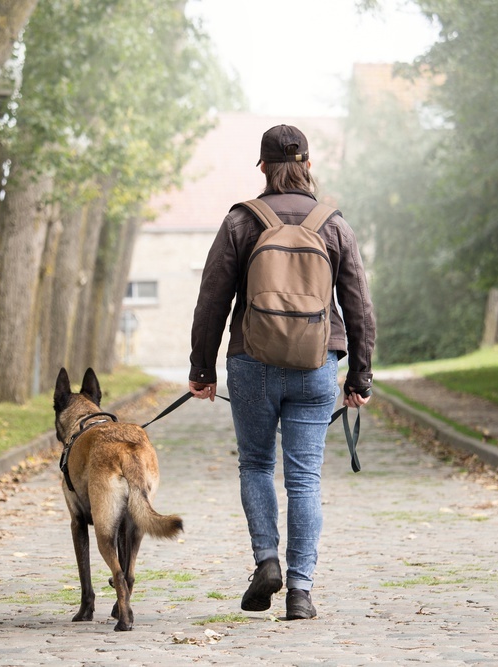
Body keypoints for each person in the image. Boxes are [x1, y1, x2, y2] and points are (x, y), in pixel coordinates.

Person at [188, 124, 376, 620]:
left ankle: (266, 560)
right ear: (308, 165)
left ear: (265, 168)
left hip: (251, 360)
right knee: (305, 479)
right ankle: (300, 591)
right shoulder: (333, 224)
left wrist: (201, 369)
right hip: (316, 365)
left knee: (255, 465)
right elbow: (359, 307)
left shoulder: (241, 221)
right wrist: (360, 377)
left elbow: (212, 300)